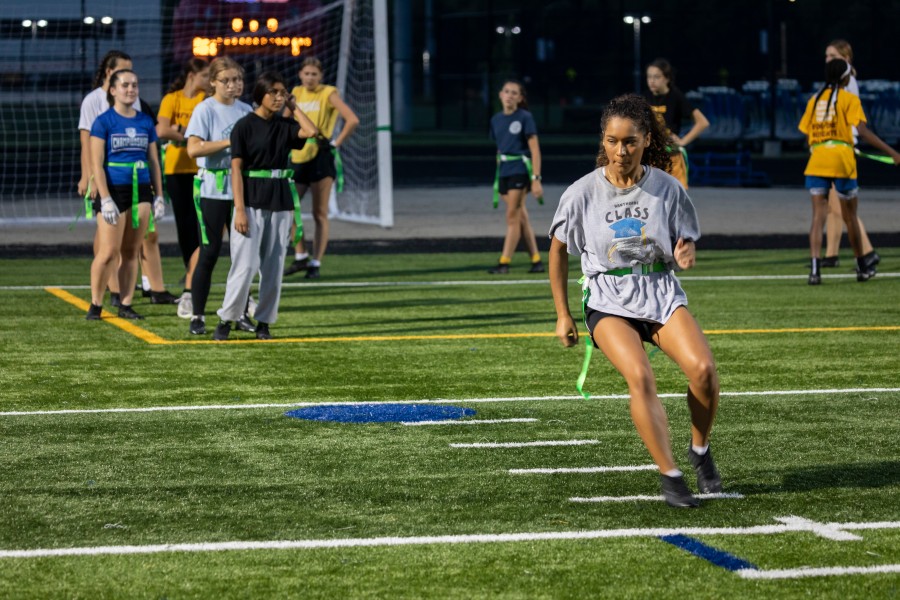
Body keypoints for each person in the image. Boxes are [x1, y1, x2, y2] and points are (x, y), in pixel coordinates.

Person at [549, 94, 721, 508]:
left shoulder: (667, 188)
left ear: (646, 140)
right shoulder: (581, 193)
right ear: (603, 141)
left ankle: (699, 451)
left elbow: (687, 236)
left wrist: (687, 250)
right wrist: (562, 314)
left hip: (659, 292)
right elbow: (556, 250)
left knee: (704, 371)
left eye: (629, 142)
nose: (620, 151)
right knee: (641, 378)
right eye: (612, 141)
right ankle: (671, 475)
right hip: (607, 299)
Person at [213, 71, 317, 341]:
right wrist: (239, 209)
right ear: (260, 95)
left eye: (283, 93)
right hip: (250, 201)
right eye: (274, 93)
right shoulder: (244, 126)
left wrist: (294, 106)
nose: (279, 97)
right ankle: (227, 317)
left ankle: (264, 322)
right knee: (245, 265)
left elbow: (311, 131)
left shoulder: (285, 126)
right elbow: (236, 170)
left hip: (281, 201)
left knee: (274, 266)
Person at [77, 51, 178, 307]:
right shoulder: (96, 107)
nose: (131, 87)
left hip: (139, 187)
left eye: (135, 82)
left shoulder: (142, 113)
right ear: (111, 79)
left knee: (141, 242)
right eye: (125, 80)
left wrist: (158, 194)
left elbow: (152, 156)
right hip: (110, 184)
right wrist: (88, 178)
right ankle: (104, 296)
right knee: (107, 246)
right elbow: (88, 145)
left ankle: (145, 290)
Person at [800, 59, 900, 285]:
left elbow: (807, 136)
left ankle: (815, 272)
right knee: (850, 216)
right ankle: (862, 266)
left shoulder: (814, 101)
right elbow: (862, 131)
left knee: (817, 217)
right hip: (842, 161)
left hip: (817, 160)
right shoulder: (849, 99)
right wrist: (893, 153)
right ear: (846, 78)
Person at [184, 57, 255, 336]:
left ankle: (239, 313)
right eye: (225, 80)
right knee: (210, 252)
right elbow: (193, 149)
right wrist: (231, 141)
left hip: (241, 189)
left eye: (237, 79)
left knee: (244, 256)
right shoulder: (205, 109)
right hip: (212, 189)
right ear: (213, 81)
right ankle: (197, 315)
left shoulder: (247, 110)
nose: (232, 85)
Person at [283, 56, 360, 279]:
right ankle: (300, 256)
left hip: (320, 157)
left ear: (321, 76)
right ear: (300, 74)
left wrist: (336, 142)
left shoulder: (328, 93)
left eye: (314, 74)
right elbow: (283, 121)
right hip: (297, 157)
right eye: (306, 73)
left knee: (319, 213)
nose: (309, 78)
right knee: (289, 209)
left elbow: (352, 119)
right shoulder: (295, 92)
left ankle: (316, 262)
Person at [157, 58, 210, 317]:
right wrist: (189, 136)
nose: (208, 80)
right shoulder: (172, 99)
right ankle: (190, 276)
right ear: (192, 75)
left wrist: (180, 132)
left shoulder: (205, 99)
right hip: (176, 170)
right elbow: (161, 130)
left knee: (203, 227)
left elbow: (203, 131)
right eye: (205, 75)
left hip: (200, 171)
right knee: (185, 227)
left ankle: (193, 280)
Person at [821, 40, 879, 270]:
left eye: (832, 56)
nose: (828, 60)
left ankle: (867, 251)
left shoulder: (847, 82)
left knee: (841, 208)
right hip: (835, 149)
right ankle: (832, 255)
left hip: (841, 149)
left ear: (845, 58)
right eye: (826, 56)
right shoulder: (839, 82)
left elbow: (847, 117)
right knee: (835, 207)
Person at [487, 79, 544, 275]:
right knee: (520, 216)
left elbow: (535, 150)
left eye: (514, 93)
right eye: (506, 91)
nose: (509, 95)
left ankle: (504, 262)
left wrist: (536, 178)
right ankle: (536, 260)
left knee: (512, 216)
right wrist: (497, 178)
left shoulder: (525, 117)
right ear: (500, 95)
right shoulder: (495, 120)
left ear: (520, 98)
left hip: (520, 170)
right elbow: (499, 149)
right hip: (504, 172)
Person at [644, 58, 710, 189]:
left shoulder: (676, 97)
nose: (652, 80)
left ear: (667, 79)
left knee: (676, 197)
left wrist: (683, 142)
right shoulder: (645, 98)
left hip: (671, 156)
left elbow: (703, 122)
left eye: (657, 77)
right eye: (649, 77)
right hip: (651, 156)